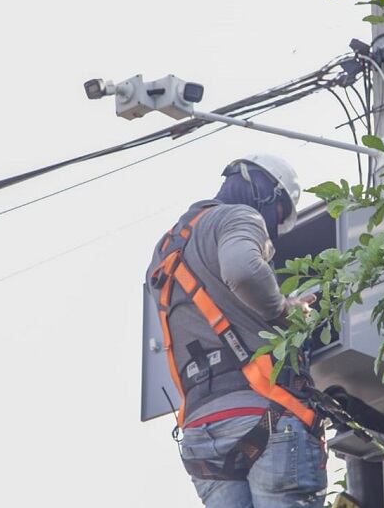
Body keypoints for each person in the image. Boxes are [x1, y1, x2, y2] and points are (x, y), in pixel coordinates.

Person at [147, 154, 327, 508]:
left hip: (203, 436)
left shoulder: (166, 251)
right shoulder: (238, 216)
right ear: (267, 193)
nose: (271, 225)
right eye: (277, 215)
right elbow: (243, 270)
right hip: (264, 415)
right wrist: (282, 310)